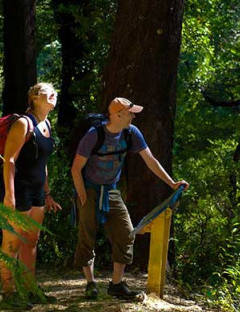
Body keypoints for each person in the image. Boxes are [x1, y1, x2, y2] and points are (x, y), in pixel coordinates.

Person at [70, 97, 189, 300]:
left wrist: (171, 183)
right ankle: (90, 283)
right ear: (117, 114)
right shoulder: (94, 135)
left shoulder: (131, 133)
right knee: (86, 236)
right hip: (89, 189)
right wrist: (82, 194)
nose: (133, 116)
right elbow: (76, 168)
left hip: (111, 190)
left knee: (126, 233)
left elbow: (150, 160)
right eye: (130, 112)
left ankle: (116, 284)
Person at [0, 83, 62, 309]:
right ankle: (9, 294)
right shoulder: (24, 123)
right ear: (35, 96)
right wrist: (9, 195)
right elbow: (9, 160)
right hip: (18, 190)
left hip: (37, 192)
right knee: (12, 243)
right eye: (48, 91)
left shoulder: (47, 124)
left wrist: (47, 193)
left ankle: (29, 289)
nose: (54, 94)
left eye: (55, 91)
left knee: (31, 241)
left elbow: (42, 164)